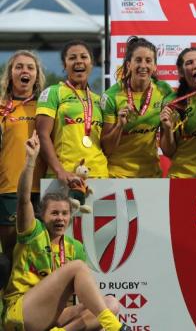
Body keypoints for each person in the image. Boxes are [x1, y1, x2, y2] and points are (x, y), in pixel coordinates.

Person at [3, 131, 129, 331]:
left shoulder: (74, 247)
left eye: (64, 213)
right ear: (42, 216)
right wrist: (30, 161)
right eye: (54, 213)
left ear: (70, 216)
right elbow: (24, 198)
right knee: (78, 267)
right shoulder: (32, 233)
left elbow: (73, 299)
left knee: (111, 303)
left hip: (52, 317)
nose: (60, 218)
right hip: (22, 315)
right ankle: (115, 328)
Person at [36, 41, 108, 182]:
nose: (78, 61)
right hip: (64, 176)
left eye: (83, 57)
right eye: (72, 58)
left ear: (91, 64)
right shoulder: (53, 92)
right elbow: (42, 134)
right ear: (64, 65)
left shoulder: (99, 100)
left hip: (99, 175)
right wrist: (59, 171)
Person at [101, 36, 173, 178]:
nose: (143, 66)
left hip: (151, 175)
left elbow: (168, 151)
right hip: (117, 175)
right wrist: (119, 126)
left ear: (155, 66)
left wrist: (168, 128)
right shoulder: (111, 95)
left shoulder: (164, 91)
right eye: (138, 60)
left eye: (148, 61)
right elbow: (106, 149)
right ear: (129, 65)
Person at [0, 51, 46, 259]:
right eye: (19, 67)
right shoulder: (2, 108)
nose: (24, 71)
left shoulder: (46, 106)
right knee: (11, 252)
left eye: (30, 67)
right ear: (10, 74)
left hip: (44, 188)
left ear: (37, 75)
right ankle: (10, 293)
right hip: (9, 187)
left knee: (42, 252)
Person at [159, 47, 196, 177]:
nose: (195, 65)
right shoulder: (171, 102)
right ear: (181, 72)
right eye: (189, 63)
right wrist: (168, 129)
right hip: (180, 177)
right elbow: (168, 152)